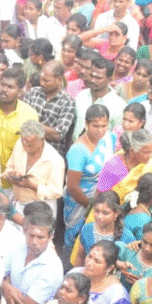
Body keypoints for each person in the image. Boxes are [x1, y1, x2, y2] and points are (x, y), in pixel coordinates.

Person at [65, 104, 116, 246]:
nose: (100, 130)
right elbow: (72, 186)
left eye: (104, 126)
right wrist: (91, 207)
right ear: (86, 124)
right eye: (95, 126)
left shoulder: (108, 139)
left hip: (101, 200)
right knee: (76, 240)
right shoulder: (78, 150)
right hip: (80, 203)